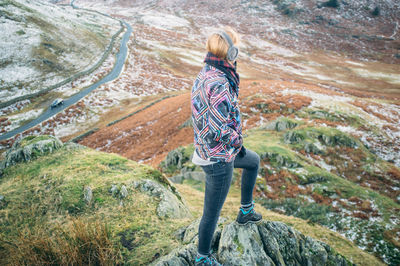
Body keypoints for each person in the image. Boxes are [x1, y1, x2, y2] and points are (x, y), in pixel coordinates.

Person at [191, 27, 262, 266]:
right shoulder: (220, 83)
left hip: (211, 150)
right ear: (230, 52)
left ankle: (245, 211)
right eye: (237, 48)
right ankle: (202, 258)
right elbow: (218, 130)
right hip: (218, 160)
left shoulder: (207, 72)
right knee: (211, 214)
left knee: (253, 161)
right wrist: (238, 140)